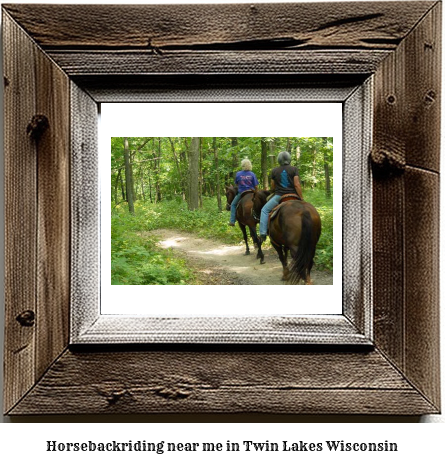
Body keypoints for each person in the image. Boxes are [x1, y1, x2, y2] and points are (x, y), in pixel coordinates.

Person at [259, 151, 304, 241]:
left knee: (264, 210)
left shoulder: (274, 171)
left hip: (279, 196)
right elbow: (297, 185)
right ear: (289, 159)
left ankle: (263, 233)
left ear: (279, 160)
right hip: (294, 195)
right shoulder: (294, 169)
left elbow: (273, 186)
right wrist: (301, 198)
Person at [228, 159, 259, 226]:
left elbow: (236, 184)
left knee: (233, 204)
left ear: (242, 165)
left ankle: (232, 221)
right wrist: (256, 193)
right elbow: (256, 186)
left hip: (242, 193)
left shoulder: (238, 174)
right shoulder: (252, 174)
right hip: (251, 192)